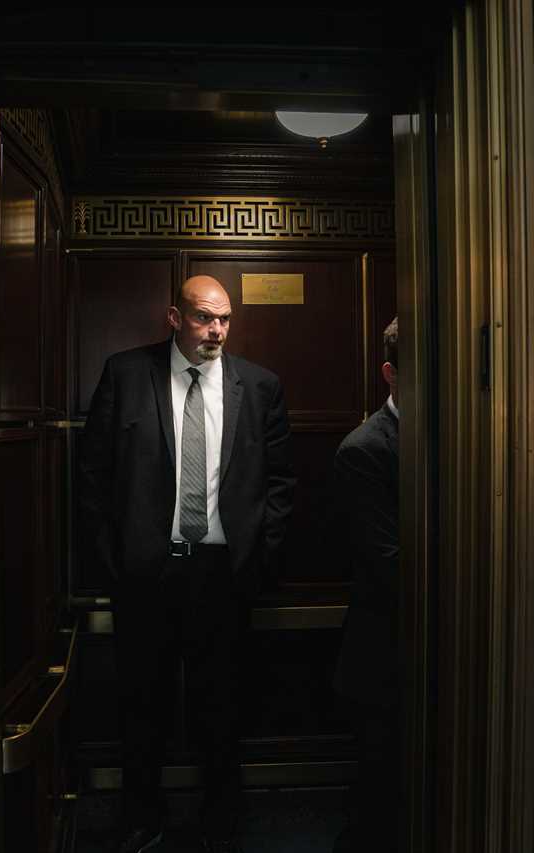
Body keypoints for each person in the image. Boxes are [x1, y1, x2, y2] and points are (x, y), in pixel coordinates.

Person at [78, 275, 296, 853]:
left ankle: (221, 821)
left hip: (224, 574)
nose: (216, 331)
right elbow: (93, 475)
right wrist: (114, 562)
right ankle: (141, 819)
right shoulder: (126, 374)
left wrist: (260, 556)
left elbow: (279, 481)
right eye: (204, 318)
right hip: (146, 575)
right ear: (175, 317)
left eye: (224, 319)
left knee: (221, 706)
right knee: (140, 704)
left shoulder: (260, 385)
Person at [332, 317, 402, 853]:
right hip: (385, 647)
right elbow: (384, 559)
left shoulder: (463, 440)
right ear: (390, 374)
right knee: (379, 789)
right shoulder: (364, 448)